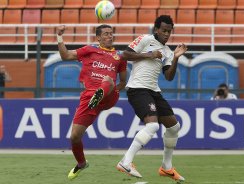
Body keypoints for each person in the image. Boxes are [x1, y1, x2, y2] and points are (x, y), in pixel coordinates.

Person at [116, 15, 187, 182]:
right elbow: (124, 55)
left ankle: (166, 167)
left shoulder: (168, 52)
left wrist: (176, 58)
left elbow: (169, 77)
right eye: (164, 30)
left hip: (154, 91)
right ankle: (125, 161)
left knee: (174, 127)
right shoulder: (145, 39)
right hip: (138, 89)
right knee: (153, 125)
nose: (166, 34)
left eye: (169, 31)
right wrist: (149, 54)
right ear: (156, 29)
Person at [56, 24, 128, 180]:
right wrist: (59, 37)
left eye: (111, 33)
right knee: (74, 137)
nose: (110, 36)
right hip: (89, 99)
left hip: (108, 95)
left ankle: (100, 94)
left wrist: (114, 90)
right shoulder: (89, 50)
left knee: (108, 79)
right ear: (98, 37)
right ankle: (81, 163)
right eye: (106, 34)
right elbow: (65, 56)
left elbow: (123, 81)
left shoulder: (119, 57)